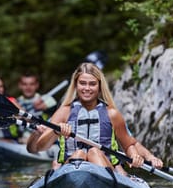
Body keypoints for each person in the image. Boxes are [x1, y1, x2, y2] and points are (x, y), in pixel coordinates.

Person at [26, 62, 163, 174]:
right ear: (76, 85)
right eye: (82, 83)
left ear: (99, 86)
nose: (87, 88)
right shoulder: (64, 112)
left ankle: (107, 184)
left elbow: (129, 144)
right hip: (71, 169)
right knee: (79, 154)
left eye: (92, 84)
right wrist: (55, 131)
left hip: (103, 164)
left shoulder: (112, 114)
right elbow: (39, 147)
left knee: (94, 152)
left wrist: (137, 156)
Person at [16, 72, 57, 143]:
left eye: (31, 84)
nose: (28, 87)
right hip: (21, 142)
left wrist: (45, 105)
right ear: (20, 85)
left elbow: (53, 107)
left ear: (37, 85)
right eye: (25, 84)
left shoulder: (47, 99)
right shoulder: (16, 102)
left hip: (42, 140)